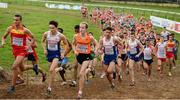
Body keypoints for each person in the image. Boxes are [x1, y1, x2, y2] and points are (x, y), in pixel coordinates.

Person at [1, 14, 36, 94]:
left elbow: (33, 38)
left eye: (17, 20)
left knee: (14, 67)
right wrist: (3, 42)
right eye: (14, 20)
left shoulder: (25, 30)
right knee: (22, 68)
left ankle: (12, 86)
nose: (15, 21)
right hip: (15, 51)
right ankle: (34, 67)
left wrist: (29, 46)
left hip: (22, 51)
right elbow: (4, 37)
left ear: (20, 21)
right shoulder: (10, 28)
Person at [41, 20, 69, 96]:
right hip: (49, 53)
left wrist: (63, 53)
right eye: (50, 28)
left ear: (56, 28)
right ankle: (50, 85)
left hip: (56, 54)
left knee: (51, 70)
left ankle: (49, 87)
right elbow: (42, 41)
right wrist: (44, 49)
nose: (51, 30)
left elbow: (67, 45)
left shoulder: (60, 36)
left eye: (52, 28)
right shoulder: (46, 34)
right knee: (51, 71)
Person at [72, 22, 98, 99]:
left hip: (87, 56)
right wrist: (75, 51)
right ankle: (88, 73)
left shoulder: (90, 37)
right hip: (79, 56)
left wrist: (95, 51)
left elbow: (96, 44)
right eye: (80, 27)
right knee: (81, 74)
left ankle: (80, 92)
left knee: (81, 73)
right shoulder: (76, 36)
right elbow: (73, 44)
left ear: (86, 29)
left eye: (83, 28)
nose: (81, 29)